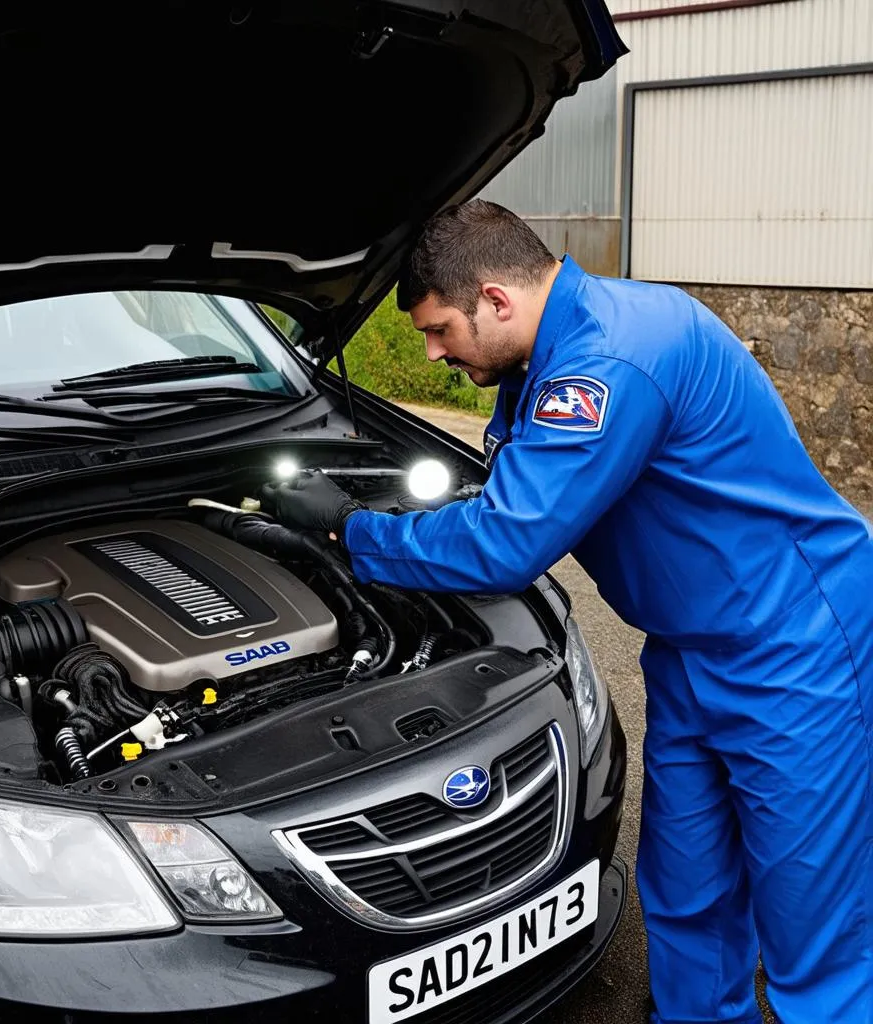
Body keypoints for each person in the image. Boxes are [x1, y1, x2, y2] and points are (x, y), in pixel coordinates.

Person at [264, 200, 873, 1024]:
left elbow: (509, 540)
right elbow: (511, 488)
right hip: (690, 646)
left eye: (441, 330)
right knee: (688, 883)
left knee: (813, 926)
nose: (437, 353)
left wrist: (348, 528)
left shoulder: (608, 361)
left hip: (793, 644)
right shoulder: (541, 361)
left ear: (497, 298)